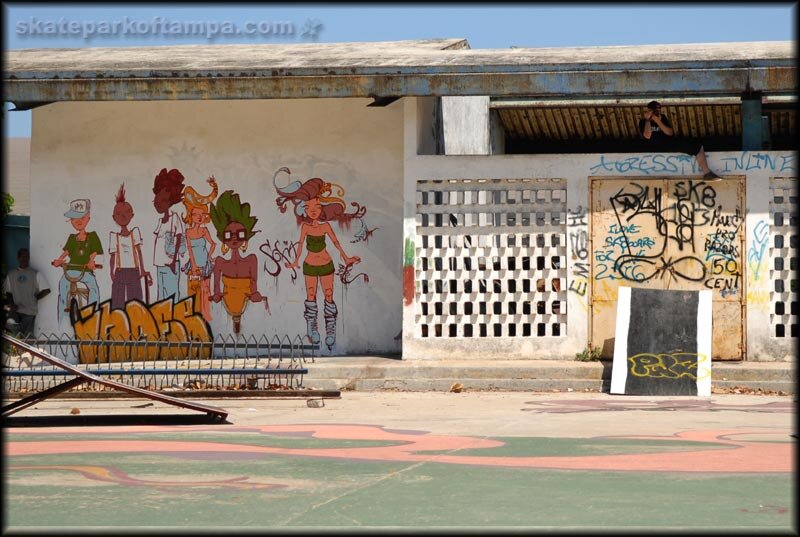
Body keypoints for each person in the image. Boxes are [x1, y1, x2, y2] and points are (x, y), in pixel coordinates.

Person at [274, 167, 363, 350]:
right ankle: (311, 328)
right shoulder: (305, 228)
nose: (313, 210)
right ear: (304, 210)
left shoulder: (325, 227)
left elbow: (336, 243)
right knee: (311, 296)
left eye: (316, 207)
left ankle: (330, 330)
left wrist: (346, 258)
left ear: (321, 208)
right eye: (309, 208)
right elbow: (299, 245)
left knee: (328, 296)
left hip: (326, 264)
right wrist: (295, 261)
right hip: (309, 265)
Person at [209, 189, 267, 334]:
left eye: (239, 234)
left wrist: (254, 294)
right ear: (223, 239)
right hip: (229, 302)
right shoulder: (221, 262)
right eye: (229, 235)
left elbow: (254, 283)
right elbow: (216, 286)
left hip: (243, 301)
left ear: (245, 238)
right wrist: (216, 294)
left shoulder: (251, 260)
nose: (234, 238)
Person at [639, 100, 722, 181]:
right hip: (653, 146)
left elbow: (670, 133)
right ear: (648, 111)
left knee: (697, 146)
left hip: (668, 144)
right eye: (653, 111)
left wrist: (659, 121)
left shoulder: (662, 118)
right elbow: (647, 135)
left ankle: (707, 173)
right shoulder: (643, 121)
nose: (656, 113)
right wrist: (648, 120)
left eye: (658, 110)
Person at [52, 199, 103, 323]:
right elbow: (66, 252)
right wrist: (59, 260)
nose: (78, 221)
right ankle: (62, 316)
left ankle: (92, 314)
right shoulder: (72, 238)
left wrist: (91, 262)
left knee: (94, 288)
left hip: (85, 271)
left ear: (88, 218)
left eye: (82, 217)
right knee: (63, 286)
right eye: (74, 219)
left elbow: (95, 252)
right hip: (70, 271)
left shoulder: (93, 236)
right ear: (71, 221)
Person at [109, 183, 152, 309]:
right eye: (119, 213)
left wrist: (142, 269)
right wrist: (111, 272)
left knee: (136, 304)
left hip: (134, 271)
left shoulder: (135, 233)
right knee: (117, 304)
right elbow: (113, 256)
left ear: (132, 215)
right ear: (114, 217)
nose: (123, 216)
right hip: (120, 271)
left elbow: (139, 252)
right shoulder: (114, 236)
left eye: (127, 212)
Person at [181, 176, 218, 322]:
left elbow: (213, 244)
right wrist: (194, 264)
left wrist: (208, 257)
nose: (199, 217)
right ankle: (192, 319)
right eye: (196, 214)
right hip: (194, 266)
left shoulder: (204, 231)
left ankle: (205, 318)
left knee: (206, 292)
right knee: (192, 292)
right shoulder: (188, 232)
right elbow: (189, 249)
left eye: (202, 215)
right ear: (191, 215)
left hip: (205, 265)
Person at [152, 168, 187, 302]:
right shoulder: (161, 221)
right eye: (156, 201)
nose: (158, 204)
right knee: (161, 296)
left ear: (169, 202)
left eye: (162, 201)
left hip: (170, 264)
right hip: (159, 264)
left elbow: (179, 237)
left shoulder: (174, 218)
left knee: (172, 295)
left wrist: (173, 261)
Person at [2, 248, 50, 336]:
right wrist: (12, 304)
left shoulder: (35, 273)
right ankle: (23, 342)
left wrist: (36, 297)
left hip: (29, 311)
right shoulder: (11, 274)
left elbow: (47, 290)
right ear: (18, 258)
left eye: (27, 256)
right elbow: (8, 292)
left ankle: (27, 346)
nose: (25, 259)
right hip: (16, 310)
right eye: (22, 256)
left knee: (27, 335)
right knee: (10, 324)